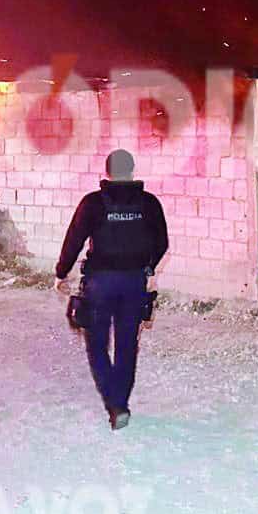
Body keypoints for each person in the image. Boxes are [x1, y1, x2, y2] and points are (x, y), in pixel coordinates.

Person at [55, 149, 169, 430]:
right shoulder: (149, 202)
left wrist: (61, 272)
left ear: (106, 172)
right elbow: (162, 242)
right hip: (134, 283)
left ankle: (115, 404)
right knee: (128, 345)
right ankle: (121, 402)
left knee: (96, 343)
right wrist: (148, 267)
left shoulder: (93, 203)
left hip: (100, 284)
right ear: (132, 171)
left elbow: (74, 241)